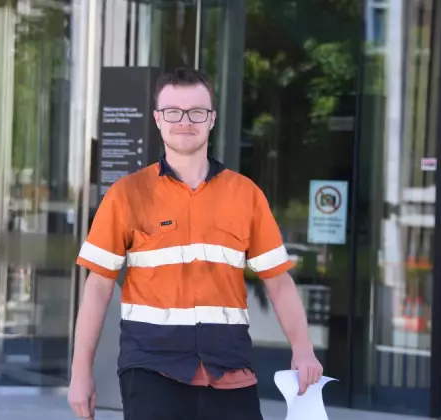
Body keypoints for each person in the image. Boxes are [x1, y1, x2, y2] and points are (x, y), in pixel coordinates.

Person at [67, 67, 323, 420]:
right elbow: (97, 288)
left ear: (212, 119)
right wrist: (80, 373)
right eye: (173, 111)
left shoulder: (245, 194)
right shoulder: (126, 195)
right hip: (152, 369)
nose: (184, 121)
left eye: (196, 112)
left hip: (231, 369)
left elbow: (278, 282)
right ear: (158, 119)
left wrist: (303, 348)